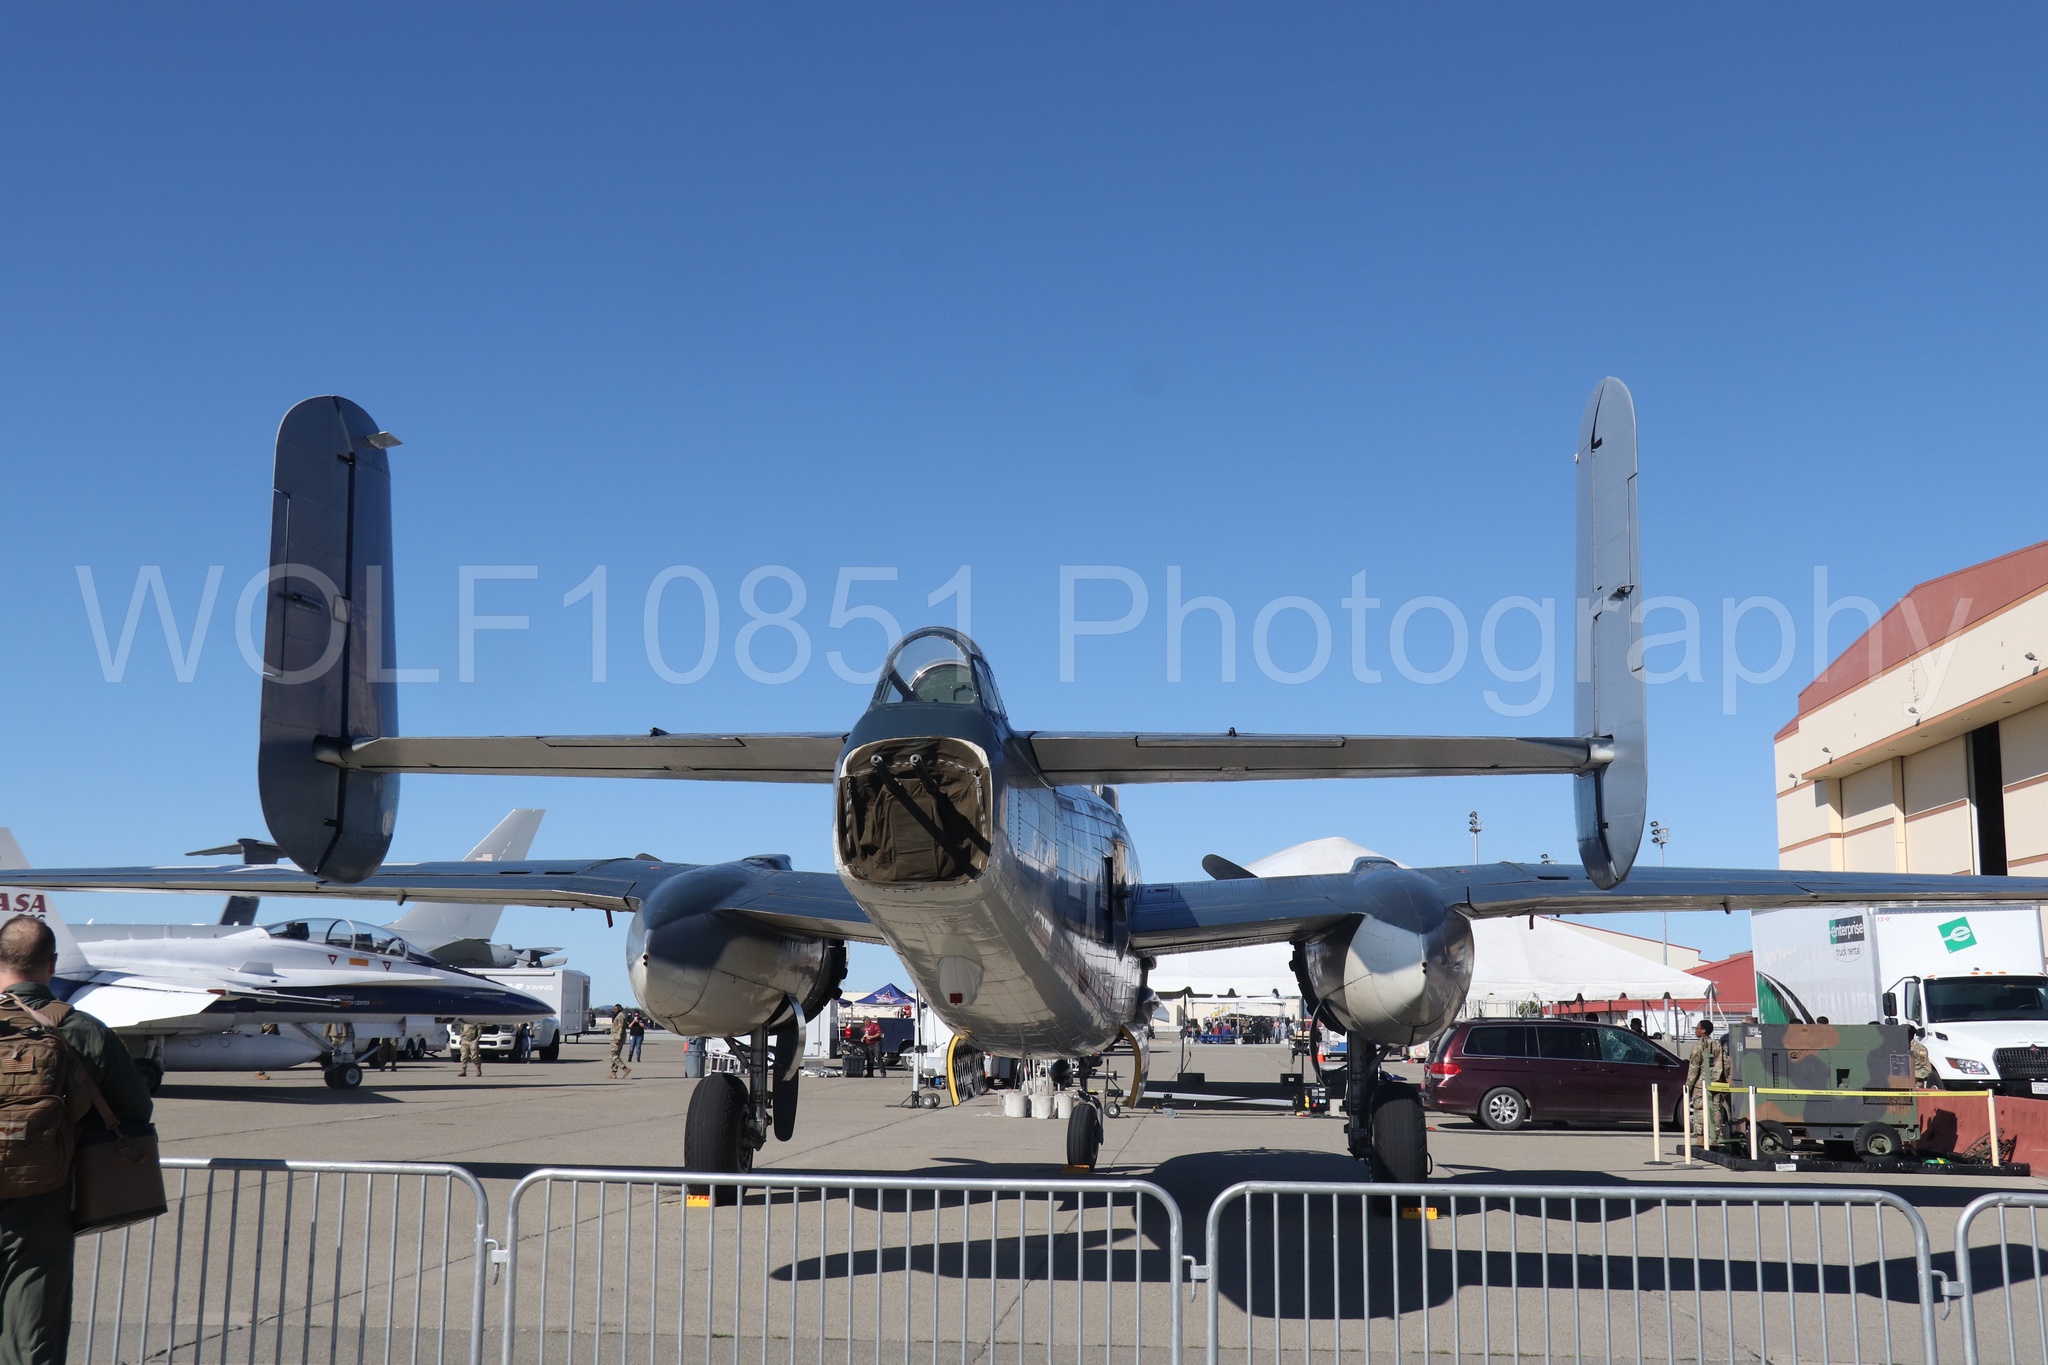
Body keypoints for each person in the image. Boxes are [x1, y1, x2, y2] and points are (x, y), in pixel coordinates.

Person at [1, 914, 154, 1365]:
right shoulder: (77, 1028)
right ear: (50, 964)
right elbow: (135, 1110)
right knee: (32, 1336)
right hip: (42, 1200)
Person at [1685, 1019, 1729, 1145]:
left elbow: (1694, 1068)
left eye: (1698, 1028)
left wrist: (1689, 1085)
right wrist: (1722, 1078)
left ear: (1703, 1030)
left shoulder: (1698, 1046)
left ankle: (1701, 1138)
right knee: (1715, 1108)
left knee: (1700, 1108)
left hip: (1702, 1083)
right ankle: (1714, 1137)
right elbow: (1725, 1063)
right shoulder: (1717, 1044)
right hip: (1717, 1082)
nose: (1696, 1030)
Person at [608, 1008, 632, 1079]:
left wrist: (618, 1038)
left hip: (617, 1038)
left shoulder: (620, 1016)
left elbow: (621, 1028)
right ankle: (613, 1072)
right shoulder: (617, 1016)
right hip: (616, 1037)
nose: (614, 1010)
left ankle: (625, 1068)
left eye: (615, 1009)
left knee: (613, 1055)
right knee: (616, 1055)